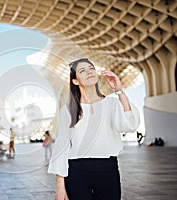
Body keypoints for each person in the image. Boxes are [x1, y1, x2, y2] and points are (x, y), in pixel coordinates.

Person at [48, 58, 140, 200]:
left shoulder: (111, 104)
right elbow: (62, 147)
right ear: (75, 81)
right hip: (76, 171)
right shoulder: (68, 110)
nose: (89, 72)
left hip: (107, 170)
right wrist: (60, 187)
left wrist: (119, 90)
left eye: (91, 68)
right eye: (82, 71)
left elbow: (131, 125)